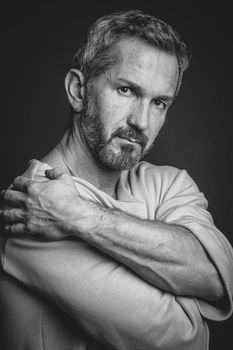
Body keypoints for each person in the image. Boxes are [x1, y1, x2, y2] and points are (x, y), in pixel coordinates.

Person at [0, 9, 232, 350]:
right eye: (126, 90)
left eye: (159, 102)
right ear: (78, 90)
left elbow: (218, 279)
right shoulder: (30, 206)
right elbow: (182, 340)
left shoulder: (169, 183)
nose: (141, 121)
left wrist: (78, 215)